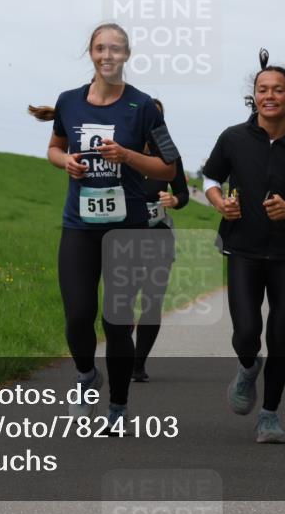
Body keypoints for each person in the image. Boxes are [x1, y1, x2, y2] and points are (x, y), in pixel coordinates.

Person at [34, 22, 179, 430]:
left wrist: (128, 156)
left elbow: (168, 166)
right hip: (79, 226)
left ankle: (117, 407)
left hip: (127, 229)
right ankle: (85, 375)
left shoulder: (144, 106)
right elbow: (54, 148)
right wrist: (66, 161)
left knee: (116, 323)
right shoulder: (69, 102)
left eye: (115, 49)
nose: (107, 55)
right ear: (91, 53)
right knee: (78, 316)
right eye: (100, 48)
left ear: (127, 55)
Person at [202, 48, 285, 444]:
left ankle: (270, 417)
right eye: (263, 89)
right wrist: (219, 202)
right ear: (254, 96)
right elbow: (210, 178)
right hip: (242, 249)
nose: (270, 96)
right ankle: (247, 367)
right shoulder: (233, 138)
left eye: (278, 90)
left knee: (279, 336)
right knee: (247, 332)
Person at [132, 98, 190, 382]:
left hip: (159, 236)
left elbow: (184, 194)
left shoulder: (169, 154)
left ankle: (138, 364)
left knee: (152, 301)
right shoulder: (122, 150)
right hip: (125, 237)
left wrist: (174, 199)